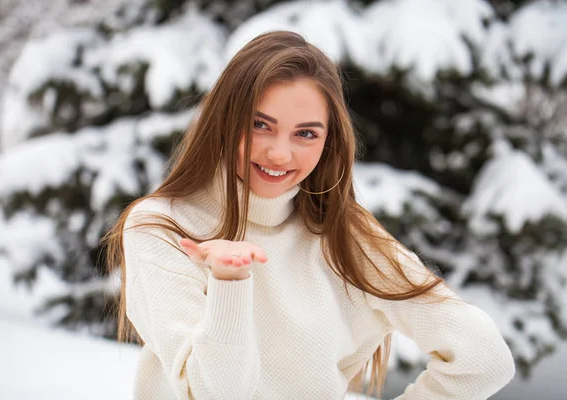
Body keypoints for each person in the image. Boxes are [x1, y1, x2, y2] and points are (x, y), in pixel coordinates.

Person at [103, 30, 515, 399]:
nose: (280, 153)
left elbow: (483, 359)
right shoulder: (163, 228)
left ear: (328, 141)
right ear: (224, 121)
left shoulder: (345, 235)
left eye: (305, 133)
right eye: (260, 125)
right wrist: (229, 282)